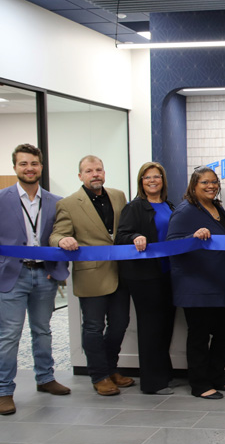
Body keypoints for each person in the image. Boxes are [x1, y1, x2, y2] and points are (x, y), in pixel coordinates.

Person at [51, 155, 132, 396]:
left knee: (119, 325)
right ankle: (99, 375)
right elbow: (56, 235)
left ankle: (111, 368)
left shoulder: (119, 196)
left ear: (104, 173)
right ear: (80, 176)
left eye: (99, 169)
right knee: (94, 327)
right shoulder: (68, 204)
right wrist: (62, 240)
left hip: (120, 272)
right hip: (91, 275)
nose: (95, 174)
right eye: (89, 171)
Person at [0, 144, 70, 415]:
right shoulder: (3, 199)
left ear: (41, 166)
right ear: (15, 167)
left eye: (34, 163)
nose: (29, 168)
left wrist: (58, 267)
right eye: (23, 164)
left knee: (42, 331)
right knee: (8, 336)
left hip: (45, 274)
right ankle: (4, 390)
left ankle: (45, 378)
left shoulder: (56, 201)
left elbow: (62, 235)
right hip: (12, 276)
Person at [167, 166, 225, 400]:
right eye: (204, 183)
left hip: (223, 283)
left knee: (224, 333)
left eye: (214, 182)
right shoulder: (185, 211)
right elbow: (173, 245)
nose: (211, 186)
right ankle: (199, 384)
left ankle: (216, 376)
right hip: (198, 285)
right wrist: (193, 238)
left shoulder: (217, 208)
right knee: (199, 336)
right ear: (193, 186)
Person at [114, 161, 176, 395]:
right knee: (151, 327)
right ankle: (152, 382)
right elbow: (121, 236)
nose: (152, 181)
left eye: (157, 176)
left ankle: (164, 374)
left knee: (166, 326)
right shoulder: (135, 207)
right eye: (147, 177)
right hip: (144, 276)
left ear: (163, 180)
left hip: (167, 273)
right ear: (141, 181)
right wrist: (135, 236)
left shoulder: (169, 206)